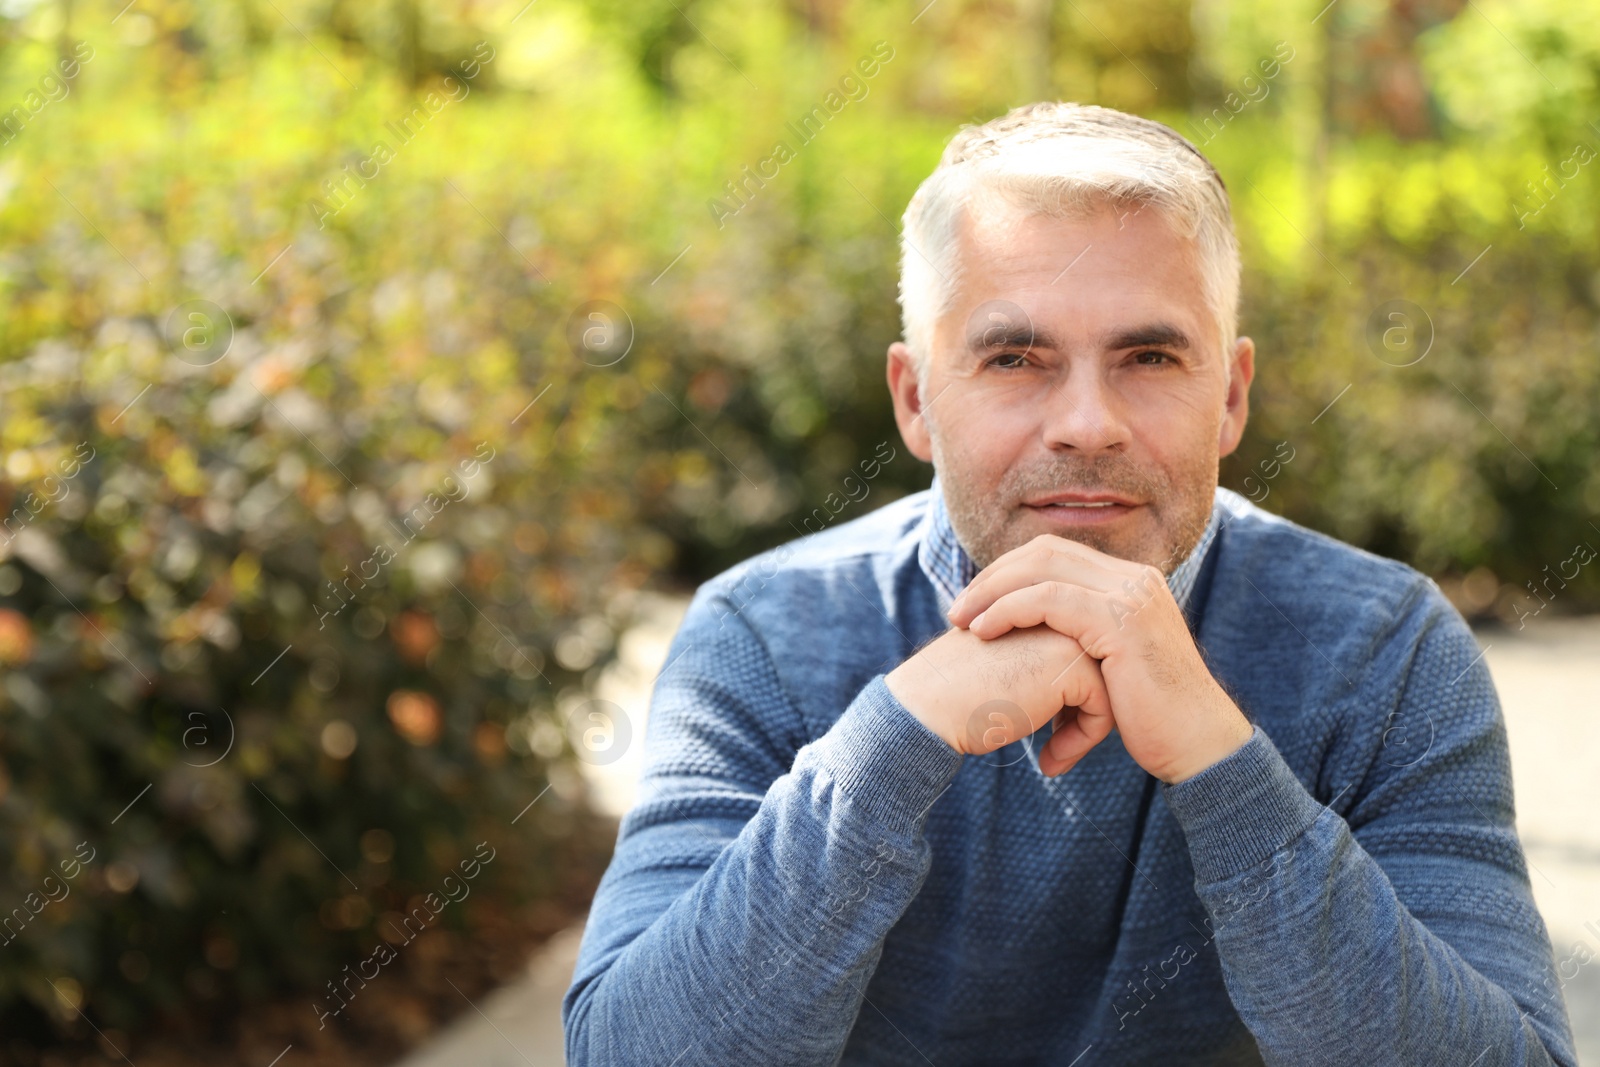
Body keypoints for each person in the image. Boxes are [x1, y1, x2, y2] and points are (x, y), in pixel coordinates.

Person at [561, 102, 1577, 1065]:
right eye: (1014, 357)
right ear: (917, 400)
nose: (1087, 423)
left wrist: (1220, 761)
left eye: (1147, 354)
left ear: (1228, 396)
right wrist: (896, 734)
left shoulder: (1384, 650)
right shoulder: (763, 636)